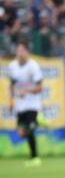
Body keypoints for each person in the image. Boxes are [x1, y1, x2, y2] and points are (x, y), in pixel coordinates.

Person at [8, 40, 43, 168]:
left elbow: (40, 87)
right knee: (22, 133)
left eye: (22, 50)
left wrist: (27, 91)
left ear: (27, 52)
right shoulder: (12, 66)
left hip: (32, 104)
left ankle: (34, 157)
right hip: (20, 104)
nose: (20, 53)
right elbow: (11, 85)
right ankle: (37, 122)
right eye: (18, 50)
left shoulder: (33, 66)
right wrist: (11, 100)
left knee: (30, 128)